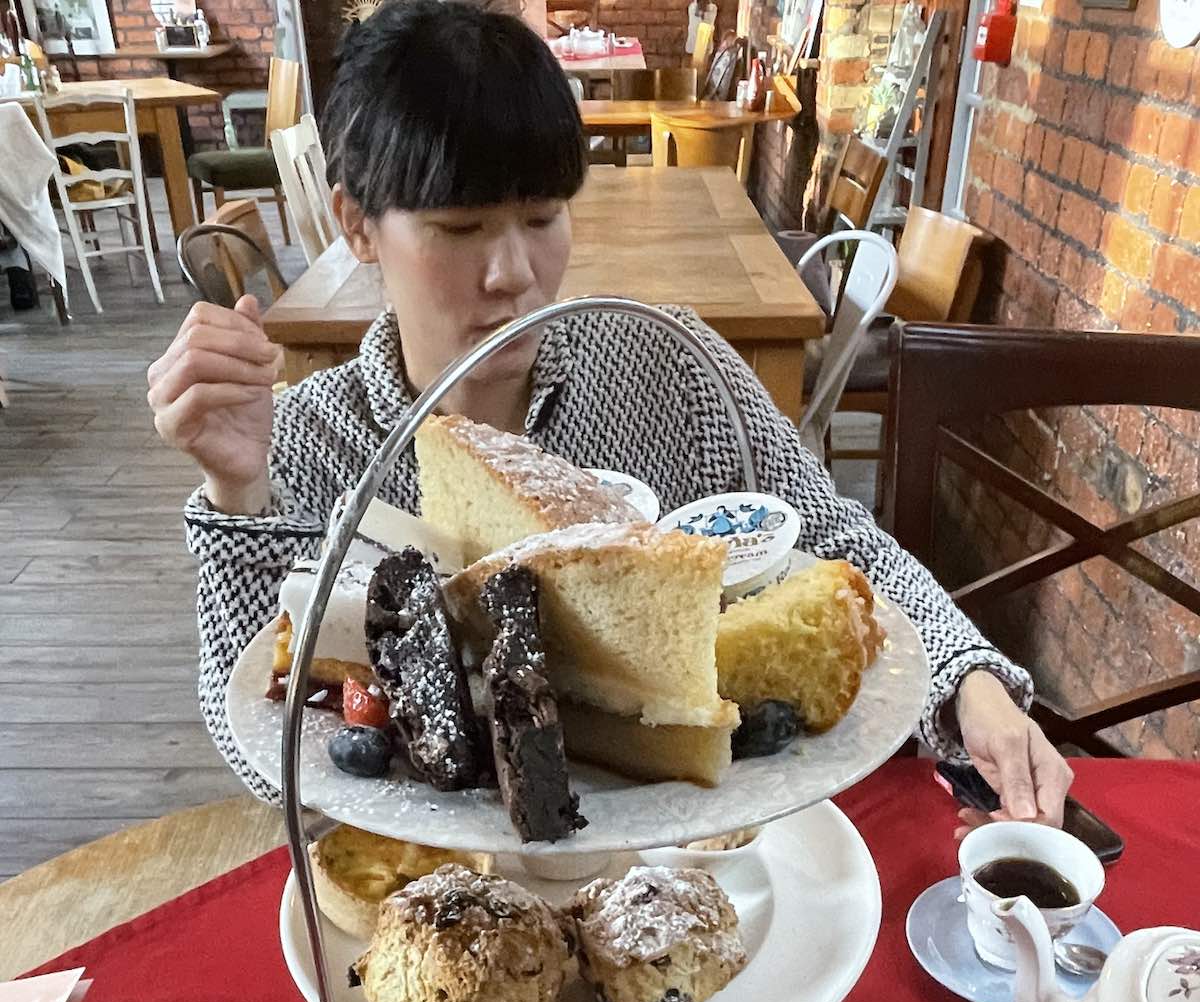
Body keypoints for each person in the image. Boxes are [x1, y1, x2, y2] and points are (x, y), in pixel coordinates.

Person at [147, 0, 1071, 831]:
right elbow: (266, 758)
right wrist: (237, 486)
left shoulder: (668, 365)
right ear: (356, 223)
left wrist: (970, 677)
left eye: (543, 218)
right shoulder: (310, 439)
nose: (512, 274)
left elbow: (827, 534)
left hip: (690, 852)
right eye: (460, 230)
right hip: (440, 879)